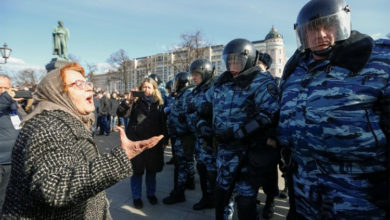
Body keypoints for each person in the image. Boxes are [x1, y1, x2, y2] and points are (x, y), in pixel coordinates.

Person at [0, 63, 163, 219]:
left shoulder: (69, 120)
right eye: (78, 84)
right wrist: (121, 157)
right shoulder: (47, 125)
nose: (89, 87)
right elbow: (54, 188)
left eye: (87, 82)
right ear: (58, 92)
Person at [278, 0, 389, 219]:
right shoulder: (295, 69)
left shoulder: (376, 60)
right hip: (304, 186)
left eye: (327, 25)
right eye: (311, 29)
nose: (319, 34)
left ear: (341, 24)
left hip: (358, 191)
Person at [201, 38, 280, 220]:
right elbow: (205, 101)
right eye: (229, 60)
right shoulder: (223, 81)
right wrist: (202, 117)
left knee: (245, 202)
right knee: (221, 197)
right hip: (223, 152)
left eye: (236, 60)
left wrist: (238, 132)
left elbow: (269, 114)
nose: (232, 64)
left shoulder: (261, 81)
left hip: (247, 153)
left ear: (249, 59)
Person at [120, 78, 168, 209]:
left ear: (154, 89)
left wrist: (164, 139)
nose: (146, 90)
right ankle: (136, 196)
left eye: (149, 87)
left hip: (153, 143)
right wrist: (128, 101)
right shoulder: (135, 102)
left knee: (151, 171)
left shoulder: (158, 104)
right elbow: (120, 113)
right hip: (137, 142)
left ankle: (151, 194)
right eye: (144, 87)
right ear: (140, 89)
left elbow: (163, 123)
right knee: (137, 171)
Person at [186, 58, 217, 210]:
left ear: (205, 72)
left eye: (196, 74)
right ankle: (206, 197)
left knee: (212, 173)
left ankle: (215, 200)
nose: (193, 77)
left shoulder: (215, 89)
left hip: (211, 141)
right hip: (199, 140)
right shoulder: (196, 90)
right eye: (192, 74)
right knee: (202, 170)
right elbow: (189, 111)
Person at [163, 72, 196, 205]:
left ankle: (179, 193)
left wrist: (181, 128)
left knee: (181, 166)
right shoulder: (183, 94)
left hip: (183, 137)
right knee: (181, 164)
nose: (175, 85)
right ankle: (181, 187)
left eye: (177, 82)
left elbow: (189, 117)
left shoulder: (188, 95)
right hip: (179, 136)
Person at [0, 74, 21, 212]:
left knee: (6, 199)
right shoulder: (5, 101)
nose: (3, 91)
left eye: (6, 88)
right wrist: (7, 97)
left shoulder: (12, 106)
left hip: (12, 161)